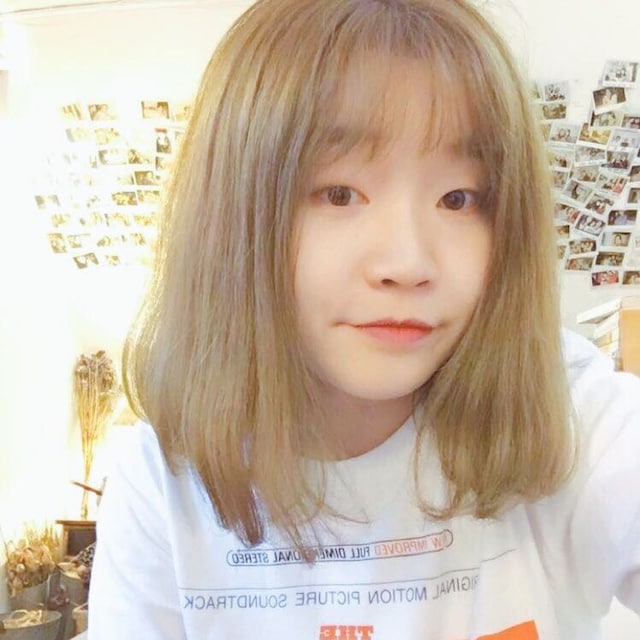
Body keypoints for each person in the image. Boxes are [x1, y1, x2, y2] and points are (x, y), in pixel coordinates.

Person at [88, 0, 640, 638]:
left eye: (458, 198)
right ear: (234, 217)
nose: (408, 263)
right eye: (339, 194)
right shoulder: (164, 481)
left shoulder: (574, 420)